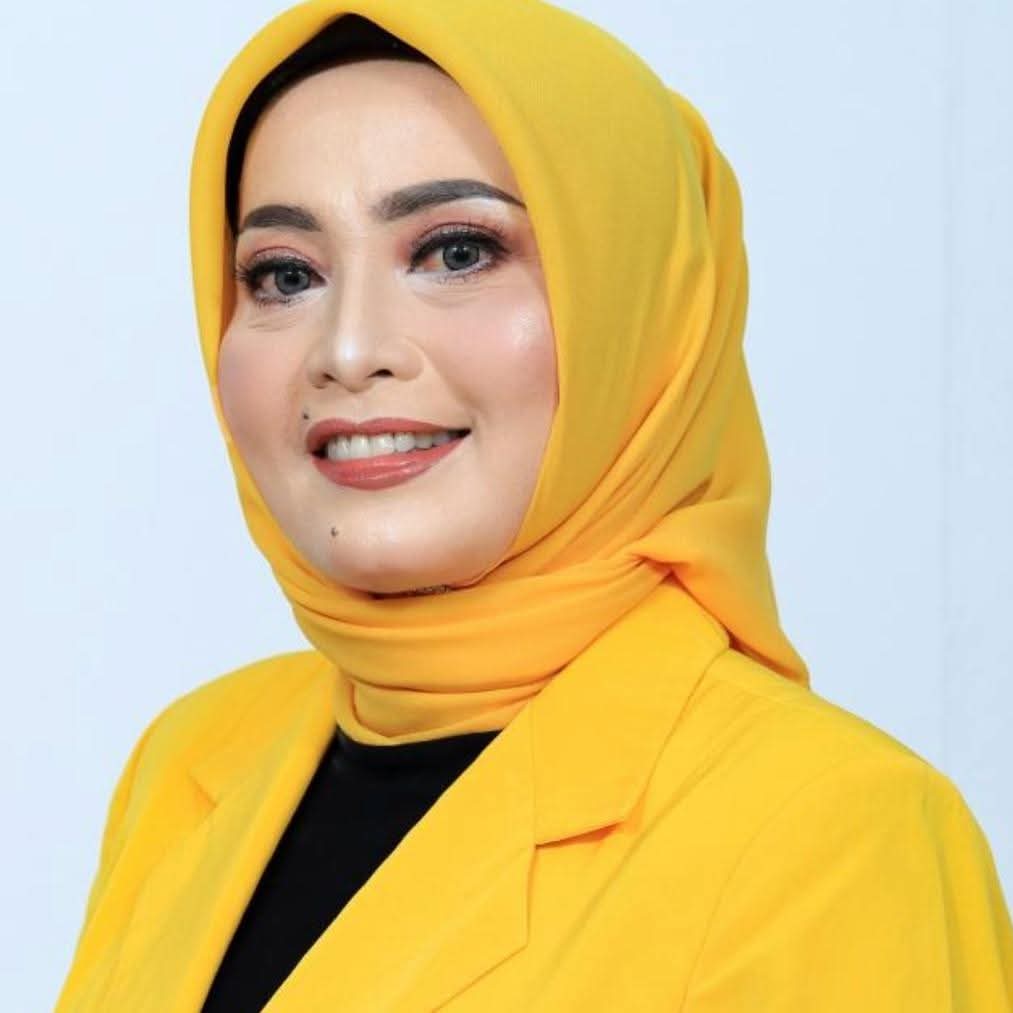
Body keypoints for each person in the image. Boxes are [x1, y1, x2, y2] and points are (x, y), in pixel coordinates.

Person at [57, 2, 1013, 1010]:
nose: (347, 349)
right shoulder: (189, 761)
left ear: (639, 312)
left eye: (455, 252)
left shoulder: (832, 835)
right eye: (284, 274)